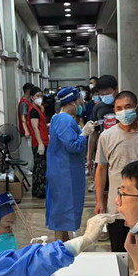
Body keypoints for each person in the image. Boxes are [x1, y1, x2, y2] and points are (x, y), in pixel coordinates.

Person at [94, 91, 138, 276]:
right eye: (119, 108)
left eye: (128, 107)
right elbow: (101, 169)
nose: (123, 112)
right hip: (118, 207)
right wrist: (99, 201)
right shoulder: (107, 136)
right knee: (119, 253)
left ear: (137, 108)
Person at [46, 87, 95, 242]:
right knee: (63, 213)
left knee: (61, 212)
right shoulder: (65, 120)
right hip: (65, 174)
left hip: (61, 170)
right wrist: (84, 134)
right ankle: (59, 247)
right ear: (71, 102)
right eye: (79, 102)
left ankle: (64, 244)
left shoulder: (57, 118)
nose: (80, 105)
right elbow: (73, 146)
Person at [87, 75, 118, 193]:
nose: (105, 96)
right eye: (102, 94)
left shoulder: (124, 105)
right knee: (103, 187)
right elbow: (93, 133)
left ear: (116, 89)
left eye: (108, 93)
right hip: (104, 151)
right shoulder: (98, 108)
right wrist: (89, 157)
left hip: (121, 150)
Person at [27, 86, 49, 198]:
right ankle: (40, 190)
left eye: (41, 96)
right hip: (39, 142)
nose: (40, 98)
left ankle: (37, 189)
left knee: (39, 166)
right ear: (32, 97)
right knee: (41, 166)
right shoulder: (33, 111)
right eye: (37, 96)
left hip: (43, 140)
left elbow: (40, 125)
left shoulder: (39, 109)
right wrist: (40, 142)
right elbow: (35, 127)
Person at [18, 83, 35, 171]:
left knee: (29, 152)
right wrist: (26, 130)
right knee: (26, 151)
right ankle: (25, 169)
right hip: (25, 132)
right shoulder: (24, 103)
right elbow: (23, 118)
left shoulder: (27, 102)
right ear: (28, 91)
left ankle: (28, 168)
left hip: (28, 131)